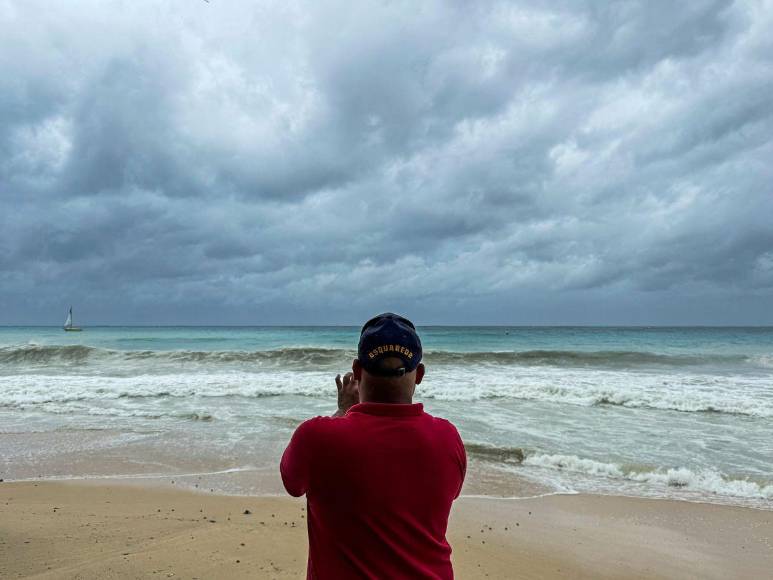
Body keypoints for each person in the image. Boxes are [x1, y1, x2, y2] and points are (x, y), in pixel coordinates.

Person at [280, 313, 467, 579]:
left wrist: (344, 410)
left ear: (357, 371)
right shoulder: (447, 439)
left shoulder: (317, 437)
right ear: (420, 375)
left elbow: (292, 482)